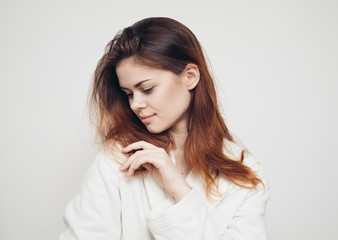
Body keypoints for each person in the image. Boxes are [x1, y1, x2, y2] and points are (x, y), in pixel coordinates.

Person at [59, 17, 270, 240]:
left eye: (147, 89)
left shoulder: (245, 174)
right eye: (128, 93)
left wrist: (180, 190)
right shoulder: (117, 158)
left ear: (190, 77)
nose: (135, 104)